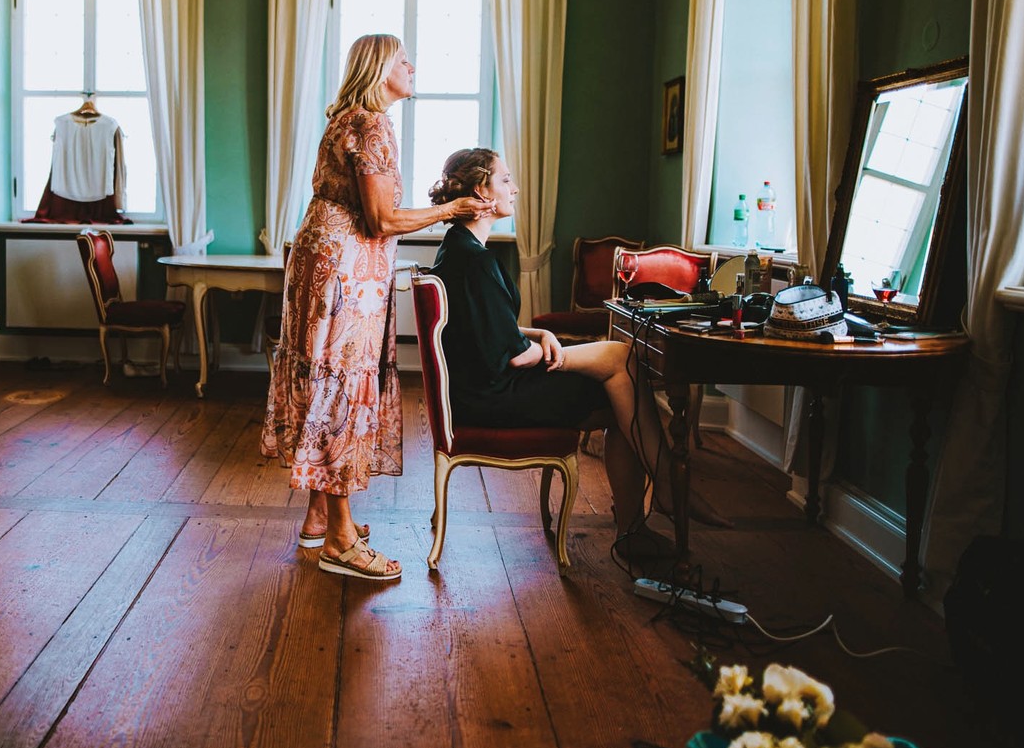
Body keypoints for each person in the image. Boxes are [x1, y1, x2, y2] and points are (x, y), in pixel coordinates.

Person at [261, 34, 495, 581]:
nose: (413, 66)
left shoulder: (346, 119)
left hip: (323, 260)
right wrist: (453, 209)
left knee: (325, 380)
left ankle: (321, 516)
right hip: (347, 271)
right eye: (403, 59)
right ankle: (341, 542)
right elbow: (382, 220)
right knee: (341, 385)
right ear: (378, 68)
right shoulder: (371, 124)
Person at [426, 148, 731, 561]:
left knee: (622, 395)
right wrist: (553, 350)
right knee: (620, 363)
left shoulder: (457, 249)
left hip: (484, 384)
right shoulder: (475, 260)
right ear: (481, 191)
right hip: (494, 394)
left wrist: (541, 334)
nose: (514, 188)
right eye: (505, 180)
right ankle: (662, 496)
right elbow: (512, 356)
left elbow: (483, 329)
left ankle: (640, 521)